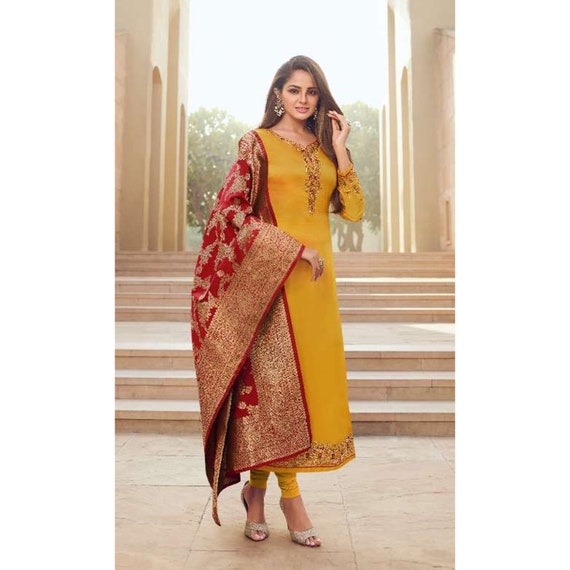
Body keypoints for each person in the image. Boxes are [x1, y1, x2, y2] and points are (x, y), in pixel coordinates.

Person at [190, 55, 365, 548]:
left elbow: (354, 211)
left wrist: (341, 150)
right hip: (273, 282)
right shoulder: (257, 143)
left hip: (317, 292)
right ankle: (290, 499)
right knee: (275, 393)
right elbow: (230, 213)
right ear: (277, 95)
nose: (303, 99)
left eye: (311, 91)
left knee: (303, 391)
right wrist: (293, 250)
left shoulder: (327, 147)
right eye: (294, 90)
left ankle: (257, 494)